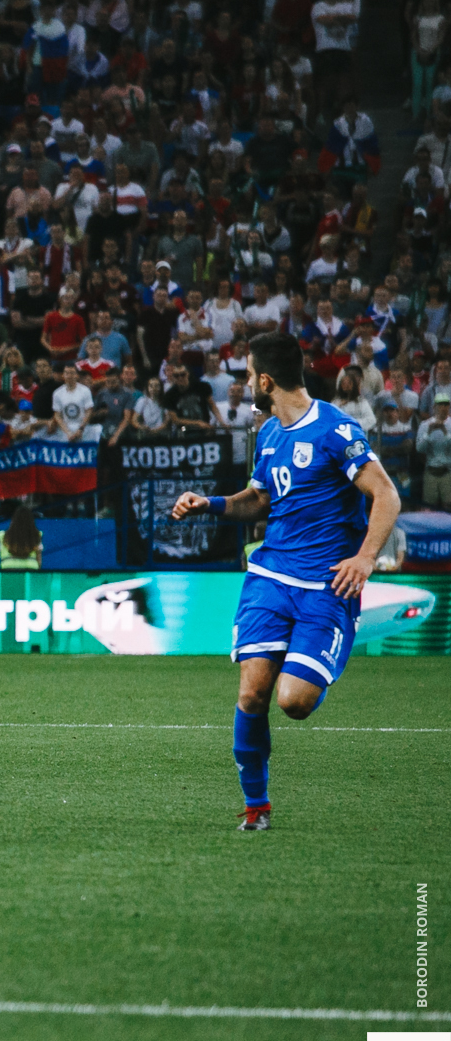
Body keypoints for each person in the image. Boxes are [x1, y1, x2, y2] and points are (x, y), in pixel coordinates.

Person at [172, 332, 401, 831]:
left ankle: (318, 662)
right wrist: (210, 503)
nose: (246, 382)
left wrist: (365, 558)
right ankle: (257, 807)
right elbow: (259, 499)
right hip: (270, 579)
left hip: (326, 586)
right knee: (252, 695)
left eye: (249, 374)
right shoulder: (271, 432)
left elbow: (386, 495)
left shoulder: (335, 430)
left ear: (266, 381)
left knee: (293, 701)